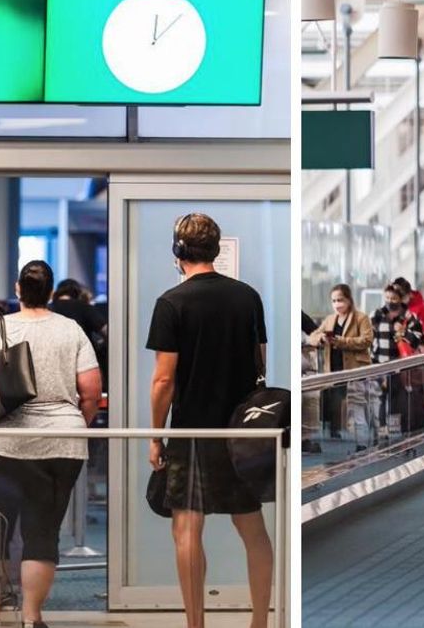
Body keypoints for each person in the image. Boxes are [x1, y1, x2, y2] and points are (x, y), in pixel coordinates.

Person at [142, 214, 272, 628]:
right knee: (252, 528)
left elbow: (164, 379)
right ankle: (259, 622)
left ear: (178, 252)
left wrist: (156, 436)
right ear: (216, 250)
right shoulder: (247, 297)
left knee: (186, 530)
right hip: (239, 432)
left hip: (191, 429)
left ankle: (195, 624)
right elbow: (260, 361)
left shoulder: (171, 302)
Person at [0, 260, 103, 627]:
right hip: (62, 442)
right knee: (42, 532)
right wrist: (74, 424)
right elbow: (91, 392)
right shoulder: (70, 329)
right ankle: (31, 616)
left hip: (4, 442)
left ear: (17, 289)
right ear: (51, 292)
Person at [307, 285, 375, 451]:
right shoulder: (330, 319)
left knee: (357, 406)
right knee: (336, 405)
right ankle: (339, 436)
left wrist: (342, 341)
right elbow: (312, 337)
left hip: (355, 369)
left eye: (340, 300)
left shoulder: (361, 318)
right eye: (334, 301)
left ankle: (362, 443)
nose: (337, 304)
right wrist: (321, 339)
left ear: (349, 300)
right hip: (335, 371)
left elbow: (367, 340)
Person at [372, 283, 424, 432]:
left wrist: (403, 332)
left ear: (400, 299)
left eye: (394, 298)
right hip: (380, 364)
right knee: (380, 398)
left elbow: (420, 339)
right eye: (388, 298)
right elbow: (370, 339)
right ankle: (382, 429)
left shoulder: (408, 316)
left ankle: (396, 430)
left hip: (401, 366)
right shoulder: (377, 314)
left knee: (398, 399)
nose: (390, 301)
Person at [50, 278, 109, 388]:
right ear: (77, 292)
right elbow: (107, 332)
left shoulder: (48, 308)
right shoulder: (83, 307)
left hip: (54, 368)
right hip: (83, 367)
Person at [394, 277, 424, 350]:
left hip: (416, 355)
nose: (399, 302)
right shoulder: (395, 307)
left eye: (402, 298)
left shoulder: (421, 308)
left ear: (409, 294)